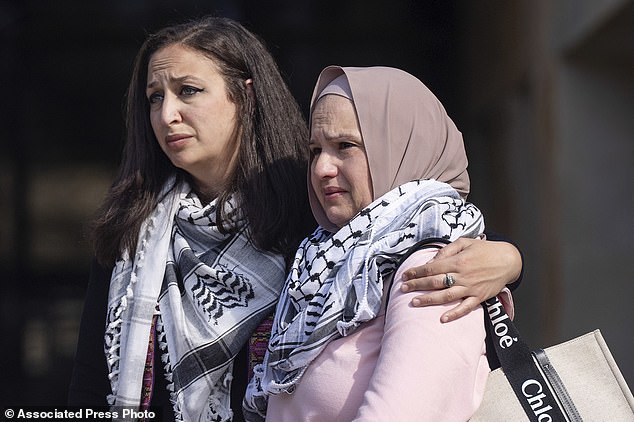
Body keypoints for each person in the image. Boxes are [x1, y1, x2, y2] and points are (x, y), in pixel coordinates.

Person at [68, 16, 522, 422]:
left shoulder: (313, 213)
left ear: (244, 96)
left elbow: (420, 237)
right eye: (153, 98)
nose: (167, 115)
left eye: (188, 91)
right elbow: (89, 391)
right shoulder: (133, 236)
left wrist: (508, 257)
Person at [244, 66, 515, 421]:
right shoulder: (322, 258)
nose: (322, 168)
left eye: (345, 146)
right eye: (315, 150)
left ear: (402, 146)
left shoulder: (437, 266)